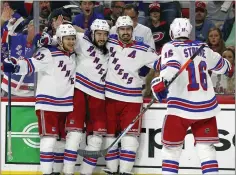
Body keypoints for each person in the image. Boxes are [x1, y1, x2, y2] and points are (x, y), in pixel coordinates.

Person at [151, 18, 231, 175]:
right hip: (205, 107)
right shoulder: (203, 47)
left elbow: (171, 66)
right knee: (206, 150)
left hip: (179, 108)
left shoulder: (170, 46)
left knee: (171, 151)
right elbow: (225, 67)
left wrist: (161, 81)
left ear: (172, 32)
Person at [3, 24, 77, 175]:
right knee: (49, 141)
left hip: (66, 105)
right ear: (61, 40)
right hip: (48, 104)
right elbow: (31, 64)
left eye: (73, 39)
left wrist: (48, 38)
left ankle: (56, 172)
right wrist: (16, 65)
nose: (71, 42)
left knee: (61, 143)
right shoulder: (48, 53)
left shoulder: (73, 54)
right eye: (68, 39)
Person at [103, 16, 160, 175]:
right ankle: (112, 170)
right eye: (123, 29)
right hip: (110, 97)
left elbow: (162, 64)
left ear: (132, 30)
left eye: (128, 29)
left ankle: (126, 172)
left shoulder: (143, 49)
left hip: (132, 99)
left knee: (130, 138)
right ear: (117, 30)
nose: (126, 32)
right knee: (109, 136)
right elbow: (85, 38)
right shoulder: (109, 42)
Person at [62, 19, 110, 175]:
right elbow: (64, 38)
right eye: (99, 34)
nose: (102, 37)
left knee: (96, 139)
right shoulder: (81, 41)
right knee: (74, 135)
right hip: (79, 91)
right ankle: (67, 172)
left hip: (99, 96)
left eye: (105, 34)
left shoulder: (112, 46)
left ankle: (85, 173)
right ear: (92, 33)